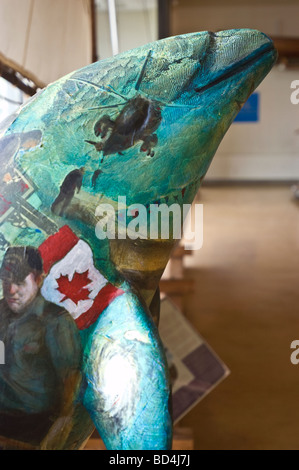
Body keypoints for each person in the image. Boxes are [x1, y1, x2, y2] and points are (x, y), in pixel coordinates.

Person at [0, 246, 82, 449]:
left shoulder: (55, 321)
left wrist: (61, 426)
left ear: (38, 279)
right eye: (6, 281)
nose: (11, 290)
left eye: (19, 282)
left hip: (34, 428)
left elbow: (70, 379)